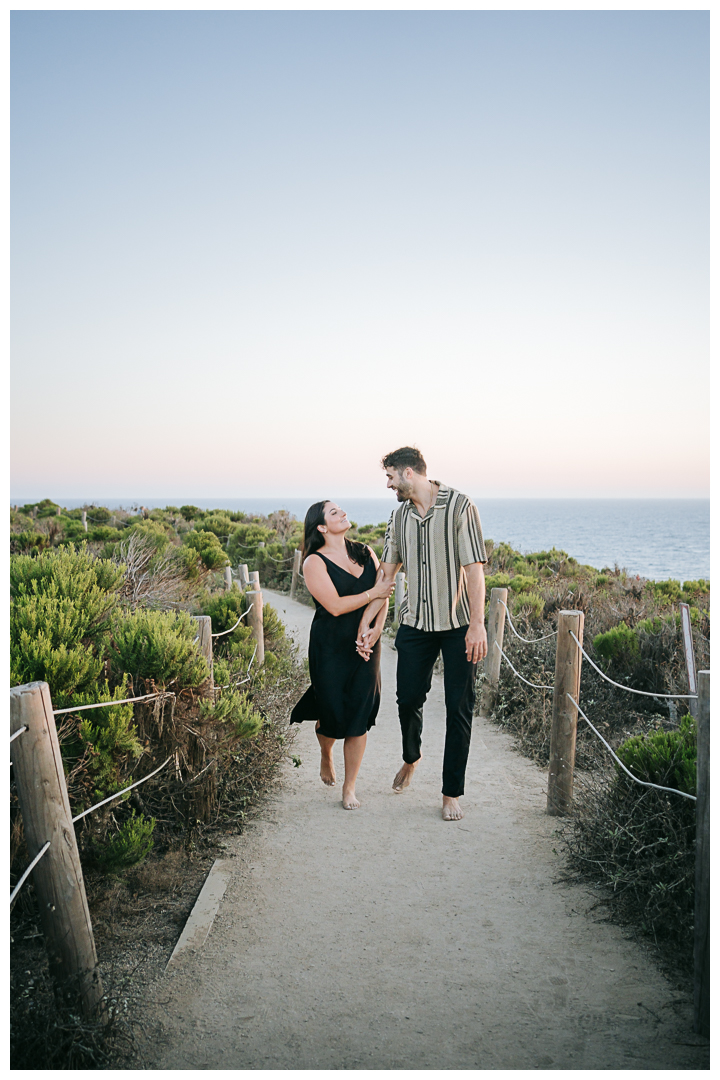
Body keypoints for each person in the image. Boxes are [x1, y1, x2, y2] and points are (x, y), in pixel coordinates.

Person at [356, 447, 487, 821]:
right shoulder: (399, 517)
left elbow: (475, 570)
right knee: (407, 697)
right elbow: (387, 575)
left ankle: (451, 793)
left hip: (459, 623)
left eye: (390, 477)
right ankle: (412, 757)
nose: (388, 484)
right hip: (416, 623)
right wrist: (369, 621)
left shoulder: (461, 507)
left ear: (409, 473)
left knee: (458, 708)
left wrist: (477, 624)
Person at [290, 501, 394, 809]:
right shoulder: (313, 562)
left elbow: (384, 591)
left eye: (341, 509)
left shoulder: (364, 551)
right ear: (321, 527)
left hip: (366, 644)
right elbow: (334, 606)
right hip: (330, 647)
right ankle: (326, 753)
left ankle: (349, 788)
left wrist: (377, 629)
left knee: (358, 717)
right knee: (332, 713)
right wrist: (371, 594)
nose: (342, 513)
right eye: (334, 513)